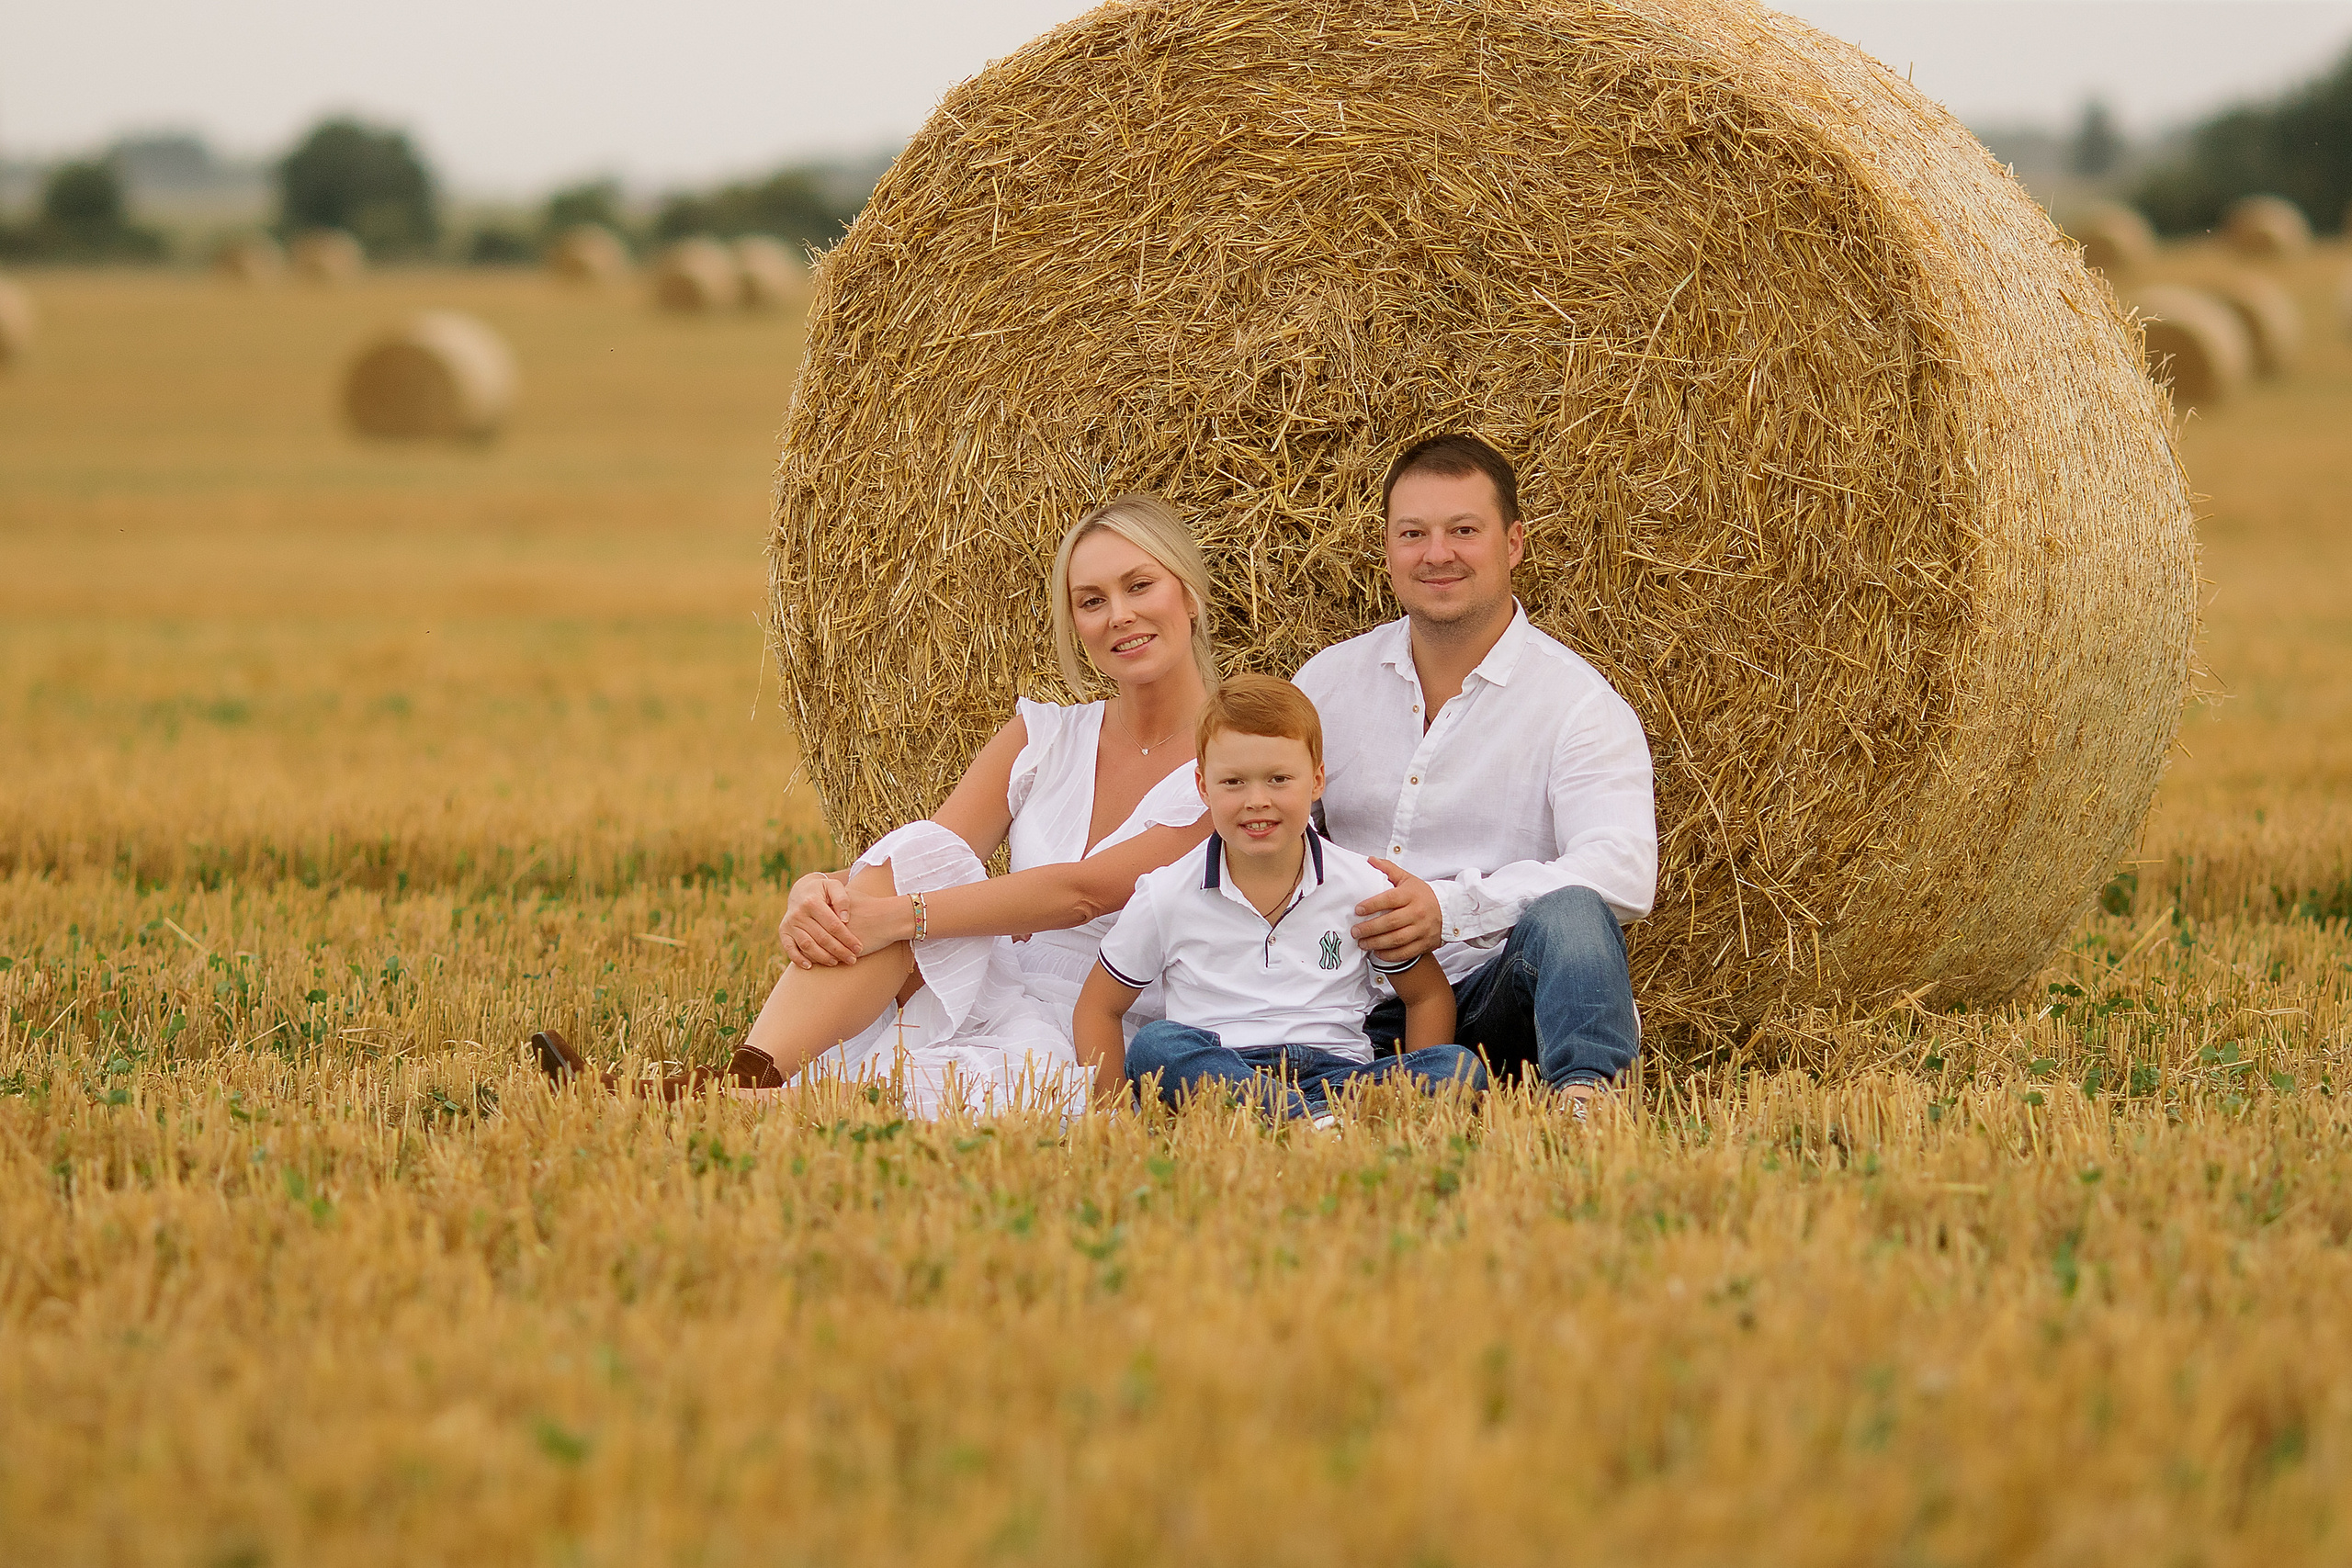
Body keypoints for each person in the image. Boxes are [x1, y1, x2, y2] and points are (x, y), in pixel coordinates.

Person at [531, 494, 1219, 1115]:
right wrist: (819, 890)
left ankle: (701, 1105)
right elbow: (928, 856)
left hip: (1097, 1021)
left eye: (1139, 586)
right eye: (1091, 600)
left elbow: (1081, 894)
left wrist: (900, 917)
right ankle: (745, 1078)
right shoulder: (1042, 737)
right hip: (987, 981)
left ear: (1187, 594)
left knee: (888, 1097)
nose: (1118, 615)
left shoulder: (1241, 761)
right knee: (923, 849)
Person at [1293, 434, 1657, 1106]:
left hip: (1490, 1008)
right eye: (1414, 533)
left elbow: (1624, 870)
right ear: (1387, 547)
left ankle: (1587, 1101)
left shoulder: (1577, 705)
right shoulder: (1326, 683)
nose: (1437, 554)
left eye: (1464, 530)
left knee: (1575, 912)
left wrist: (1452, 908)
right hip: (1334, 1005)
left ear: (1513, 543)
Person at [1074, 674, 1484, 1120]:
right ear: (1202, 786)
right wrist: (1113, 1117)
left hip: (1340, 1077)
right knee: (1158, 1046)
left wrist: (1416, 1101)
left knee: (1457, 1068)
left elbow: (1426, 996)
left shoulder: (1362, 887)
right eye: (1233, 782)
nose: (1257, 800)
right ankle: (1316, 1127)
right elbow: (1098, 1006)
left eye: (1278, 779)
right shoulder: (1166, 894)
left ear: (1317, 780)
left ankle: (1298, 1123)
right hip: (1223, 1070)